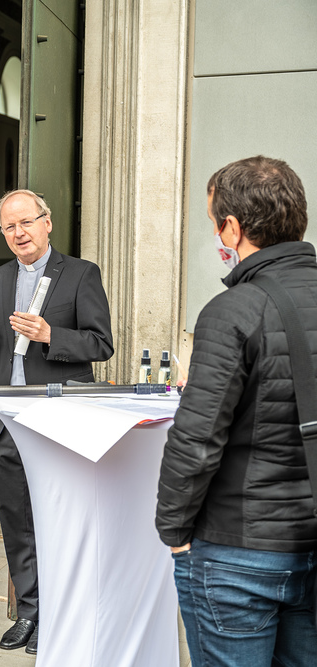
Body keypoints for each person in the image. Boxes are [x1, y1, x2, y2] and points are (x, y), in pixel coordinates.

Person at [156, 156, 317, 666]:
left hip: (237, 547)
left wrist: (173, 531)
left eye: (214, 222)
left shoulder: (233, 310)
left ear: (233, 227)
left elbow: (197, 438)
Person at [0, 189, 113, 654]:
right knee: (16, 519)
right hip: (5, 420)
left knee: (61, 518)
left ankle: (62, 612)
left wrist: (52, 335)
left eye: (26, 222)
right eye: (9, 226)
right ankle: (29, 611)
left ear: (47, 222)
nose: (18, 233)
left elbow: (101, 344)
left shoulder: (81, 274)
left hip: (58, 419)